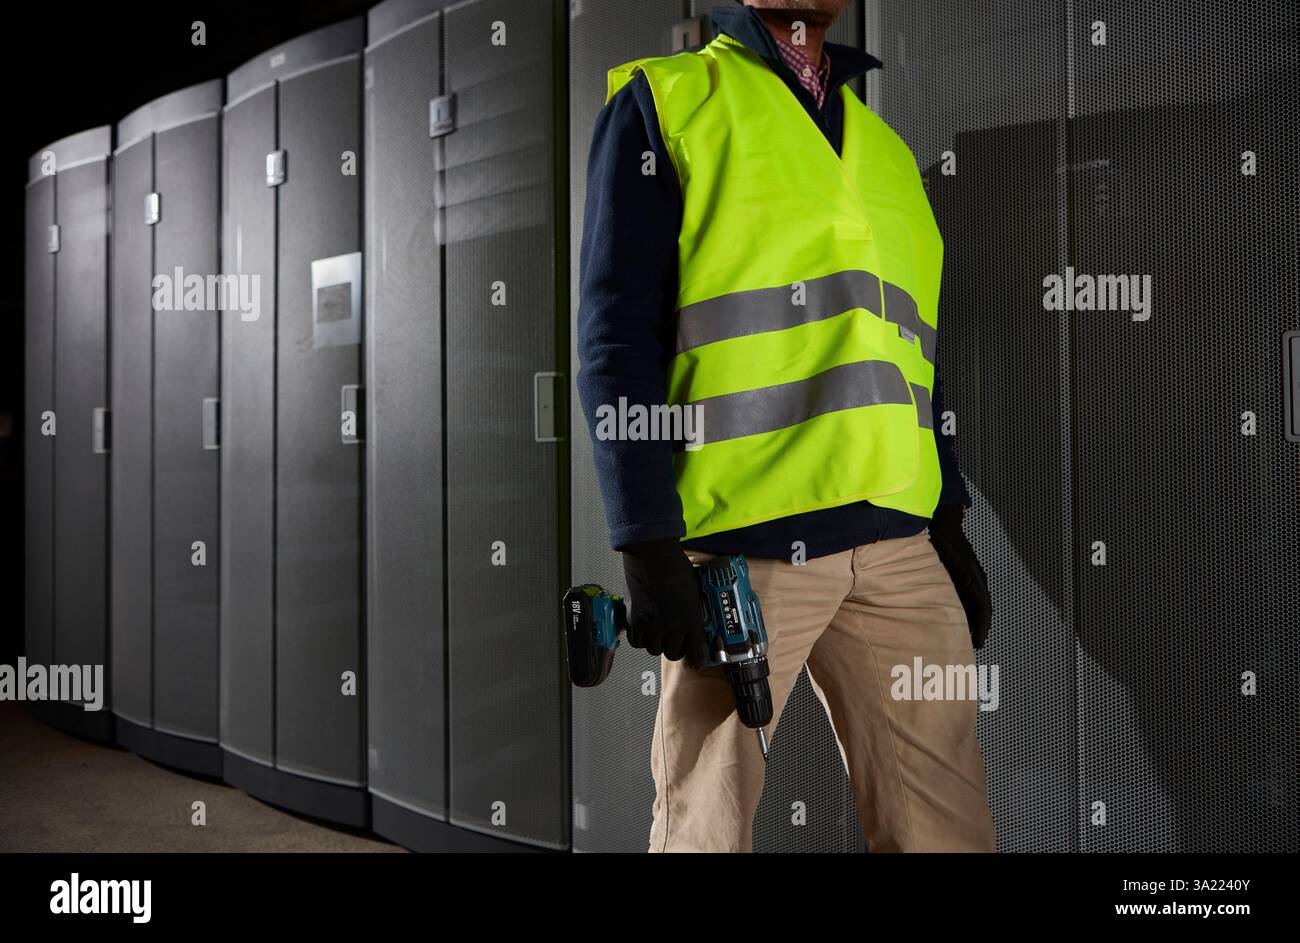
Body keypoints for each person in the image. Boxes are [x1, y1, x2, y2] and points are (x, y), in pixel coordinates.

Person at [577, 0, 997, 853]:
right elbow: (617, 335)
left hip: (896, 543)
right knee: (706, 825)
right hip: (743, 546)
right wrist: (646, 540)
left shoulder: (885, 150)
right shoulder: (670, 102)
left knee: (945, 829)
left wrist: (946, 513)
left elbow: (916, 350)